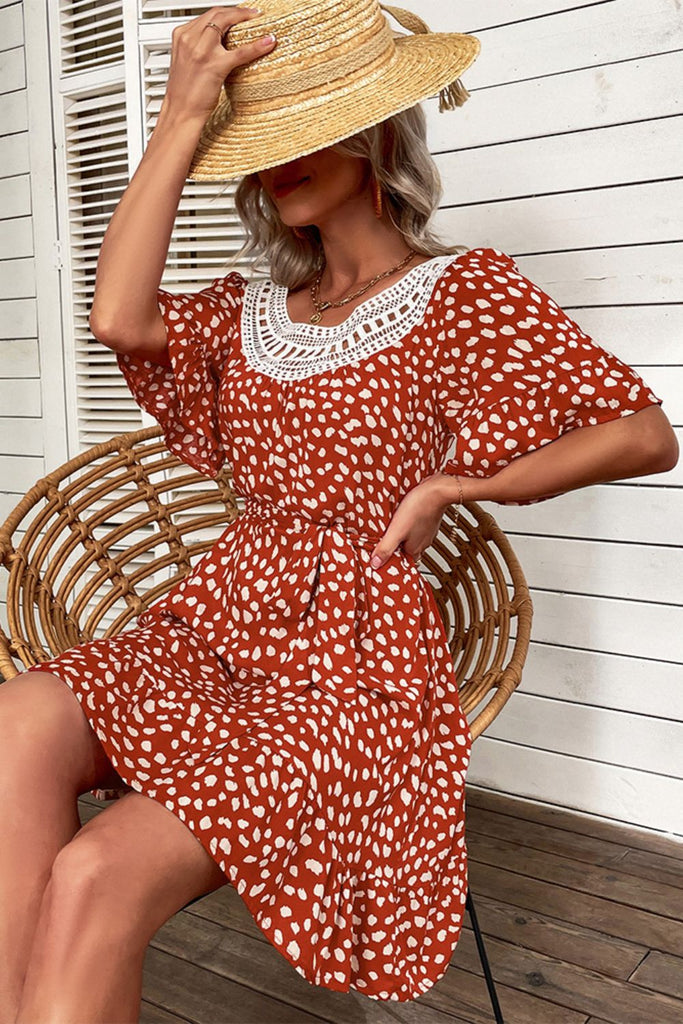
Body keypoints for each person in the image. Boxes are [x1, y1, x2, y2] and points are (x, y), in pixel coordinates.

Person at [2, 1, 678, 1020]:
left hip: (350, 658)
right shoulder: (248, 311)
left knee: (96, 871)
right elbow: (118, 318)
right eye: (262, 142)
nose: (281, 163)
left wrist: (457, 486)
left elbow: (641, 433)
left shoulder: (461, 293)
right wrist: (182, 118)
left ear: (376, 138)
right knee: (16, 720)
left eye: (309, 129)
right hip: (217, 621)